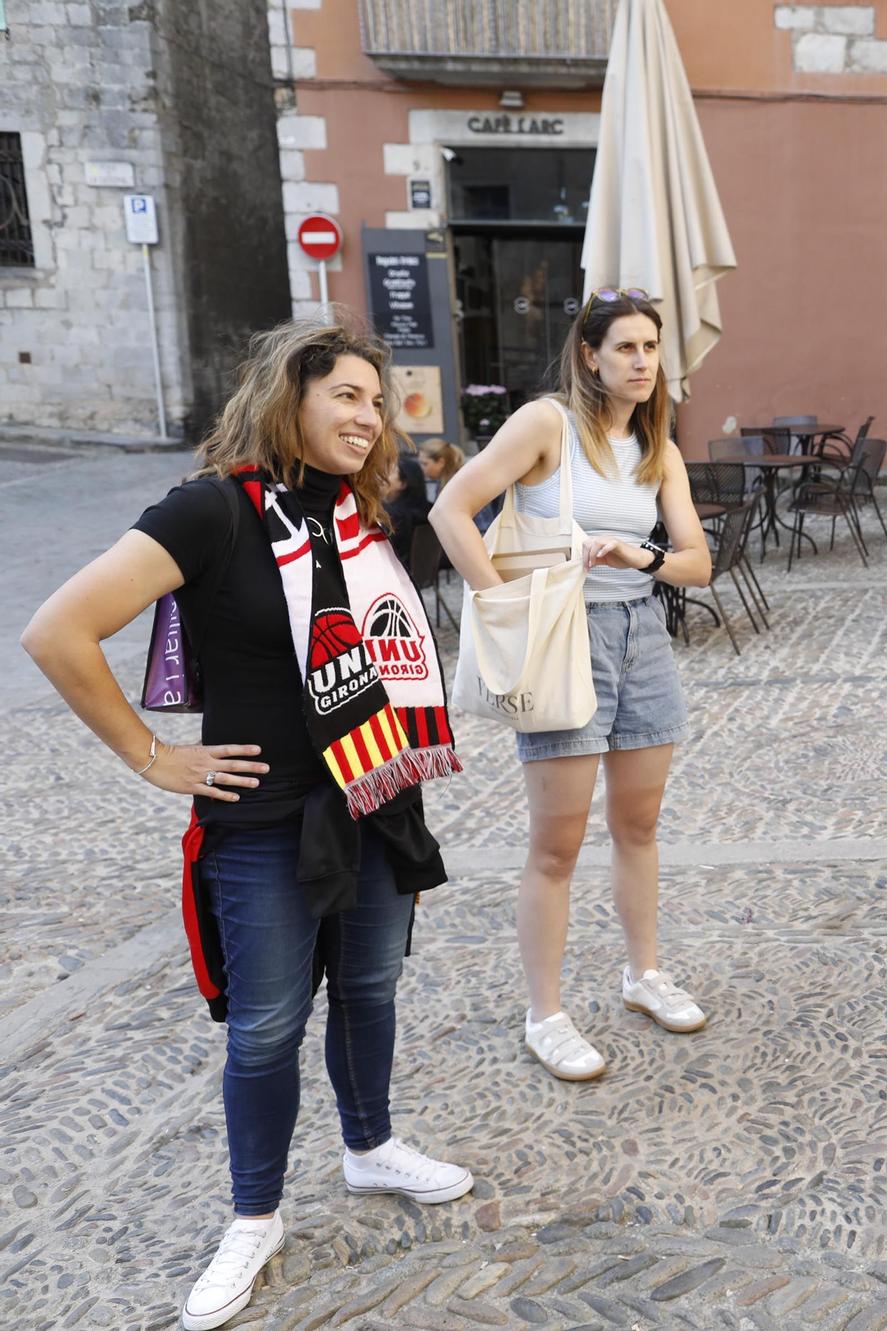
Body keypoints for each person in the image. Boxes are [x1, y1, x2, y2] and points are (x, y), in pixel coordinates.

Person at [21, 315, 473, 1331]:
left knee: (369, 985)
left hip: (375, 794)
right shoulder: (212, 512)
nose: (367, 413)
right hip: (264, 819)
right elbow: (58, 630)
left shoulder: (364, 515)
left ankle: (369, 1145)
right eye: (344, 395)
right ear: (289, 398)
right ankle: (255, 1213)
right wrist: (153, 754)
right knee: (267, 1026)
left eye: (373, 396)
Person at [430, 287, 712, 1083]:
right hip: (564, 635)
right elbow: (453, 509)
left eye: (651, 349)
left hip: (641, 636)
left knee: (641, 823)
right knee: (556, 842)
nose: (642, 362)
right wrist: (504, 605)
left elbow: (697, 562)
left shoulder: (659, 449)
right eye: (625, 347)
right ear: (589, 355)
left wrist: (640, 555)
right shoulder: (547, 423)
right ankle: (544, 1013)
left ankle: (642, 972)